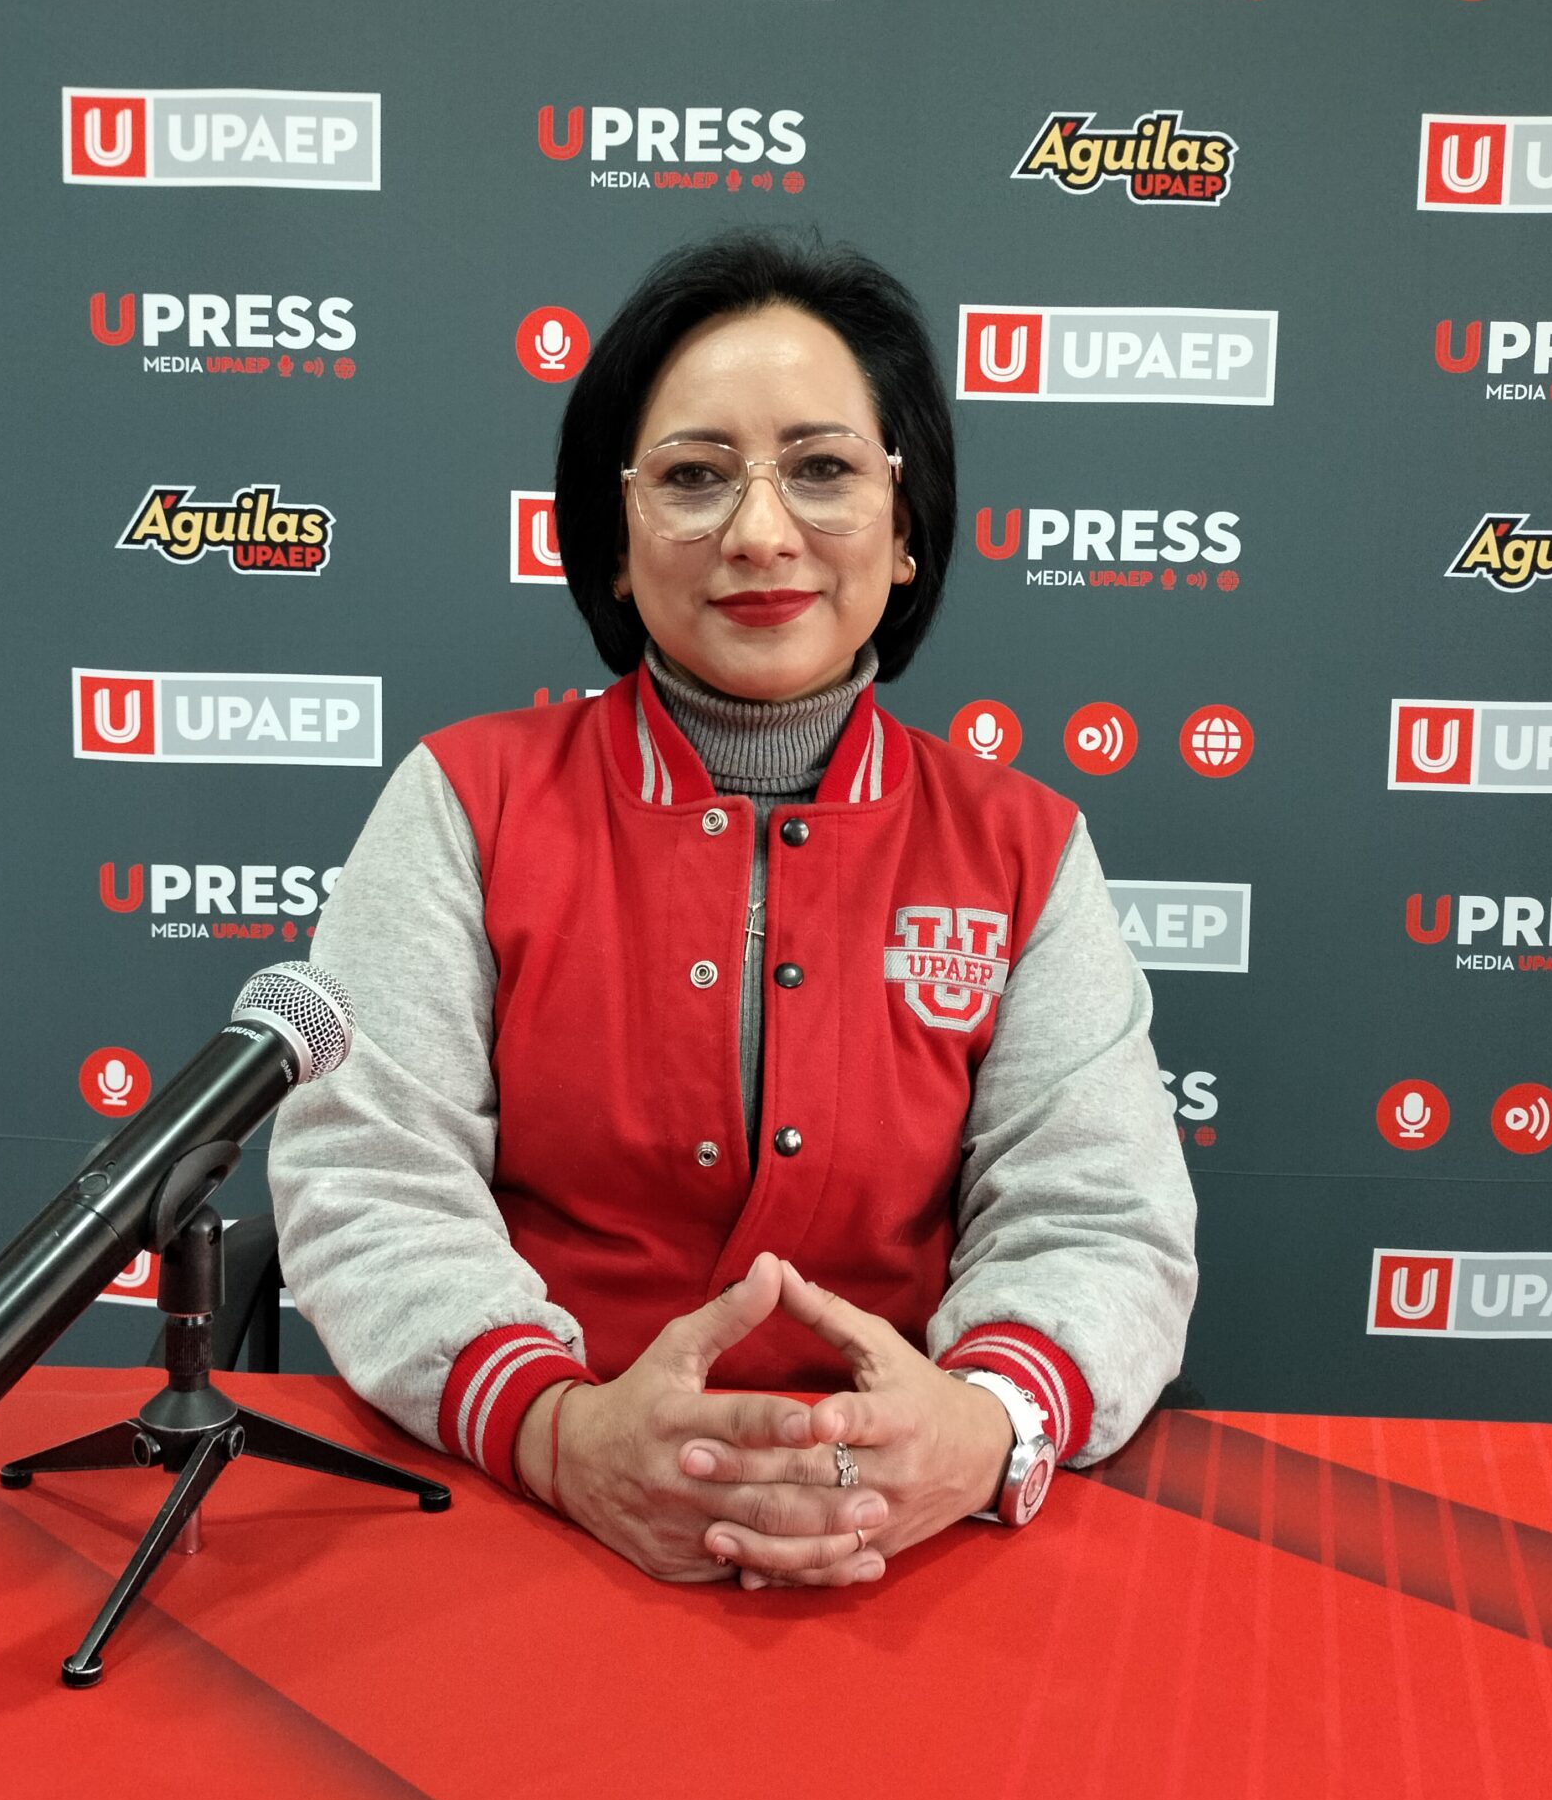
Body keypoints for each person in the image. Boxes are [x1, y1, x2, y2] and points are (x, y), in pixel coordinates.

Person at [267, 230, 1196, 1591]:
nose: (760, 533)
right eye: (695, 477)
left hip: (915, 1545)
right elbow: (371, 1180)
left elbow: (1101, 1219)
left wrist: (978, 1428)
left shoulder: (1023, 845)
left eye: (823, 470)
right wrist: (558, 1433)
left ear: (908, 530)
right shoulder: (466, 802)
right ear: (615, 543)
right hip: (529, 1520)